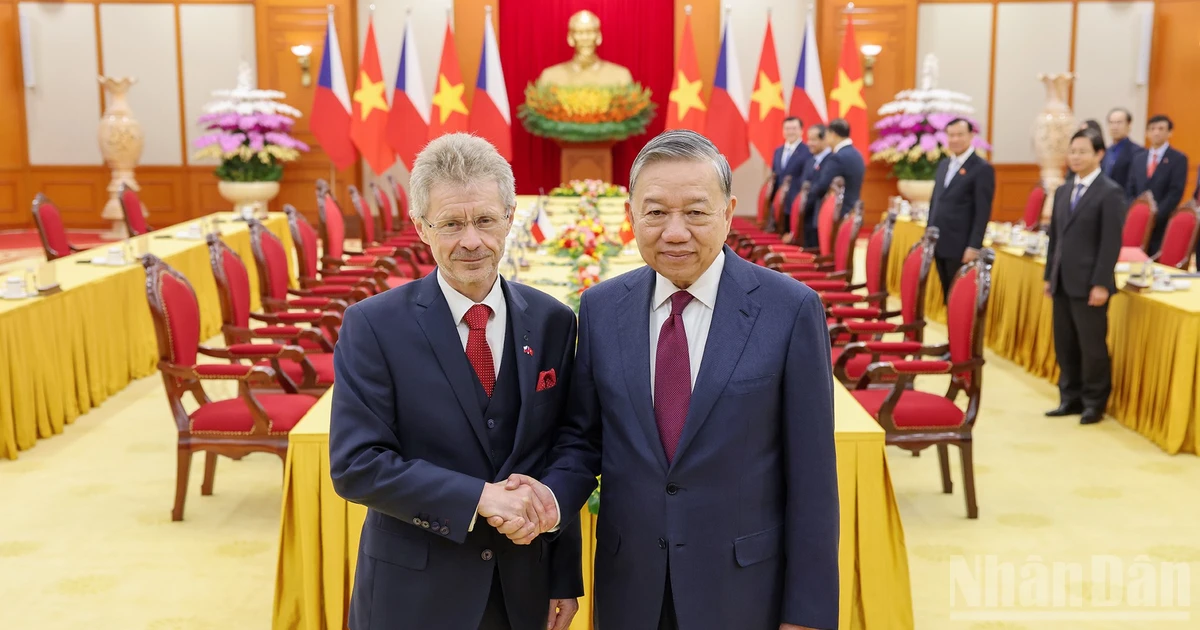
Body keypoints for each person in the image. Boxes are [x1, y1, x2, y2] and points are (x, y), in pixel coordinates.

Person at [507, 130, 840, 630]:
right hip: (630, 589)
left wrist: (807, 615)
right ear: (631, 213)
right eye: (656, 212)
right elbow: (581, 440)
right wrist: (548, 502)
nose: (675, 231)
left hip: (744, 592)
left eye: (696, 212)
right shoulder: (602, 307)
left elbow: (813, 479)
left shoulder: (789, 310)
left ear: (728, 212)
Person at [328, 133, 582, 630]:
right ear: (421, 227)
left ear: (511, 218)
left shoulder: (554, 321)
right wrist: (478, 498)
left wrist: (563, 575)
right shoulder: (373, 327)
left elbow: (566, 449)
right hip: (413, 597)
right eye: (451, 224)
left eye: (486, 220)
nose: (472, 241)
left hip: (524, 589)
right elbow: (356, 465)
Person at [1043, 129, 1125, 426]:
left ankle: (1094, 402)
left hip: (1091, 283)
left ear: (1099, 154)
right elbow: (1056, 239)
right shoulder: (1064, 190)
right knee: (1065, 343)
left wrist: (1101, 282)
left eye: (1082, 151)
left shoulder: (1110, 192)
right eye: (1072, 151)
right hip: (1062, 280)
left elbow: (1110, 243)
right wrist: (1049, 275)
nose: (1075, 157)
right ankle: (1070, 397)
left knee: (1092, 347)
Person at [927, 118, 996, 303]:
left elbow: (982, 211)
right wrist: (929, 234)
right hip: (938, 243)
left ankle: (959, 332)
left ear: (971, 136)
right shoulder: (943, 165)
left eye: (960, 135)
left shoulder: (981, 168)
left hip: (961, 246)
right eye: (951, 135)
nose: (955, 139)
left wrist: (974, 246)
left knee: (960, 300)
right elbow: (935, 202)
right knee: (947, 296)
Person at [1126, 114, 1189, 254]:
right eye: (1152, 128)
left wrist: (1155, 216)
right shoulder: (1139, 158)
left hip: (1161, 223)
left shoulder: (1178, 159)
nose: (1156, 132)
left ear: (1169, 132)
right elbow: (1130, 188)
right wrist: (1135, 212)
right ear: (1147, 133)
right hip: (1137, 223)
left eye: (1161, 128)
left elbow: (1175, 192)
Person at [809, 118, 865, 219]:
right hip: (851, 213)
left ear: (833, 135)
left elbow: (822, 186)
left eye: (827, 136)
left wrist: (806, 196)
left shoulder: (837, 157)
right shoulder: (857, 155)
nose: (826, 140)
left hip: (836, 215)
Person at [770, 116, 813, 233]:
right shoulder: (778, 151)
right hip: (779, 206)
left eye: (794, 128)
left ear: (801, 130)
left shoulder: (808, 151)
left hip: (796, 204)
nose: (790, 132)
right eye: (787, 129)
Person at [797, 123, 831, 248]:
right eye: (808, 139)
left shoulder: (831, 161)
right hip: (805, 218)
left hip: (817, 220)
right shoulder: (810, 160)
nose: (809, 143)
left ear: (824, 140)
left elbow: (820, 189)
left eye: (813, 140)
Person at [1102, 108, 1135, 189]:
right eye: (1111, 123)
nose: (1114, 127)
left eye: (1119, 123)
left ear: (1128, 125)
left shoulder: (1137, 152)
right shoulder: (1105, 151)